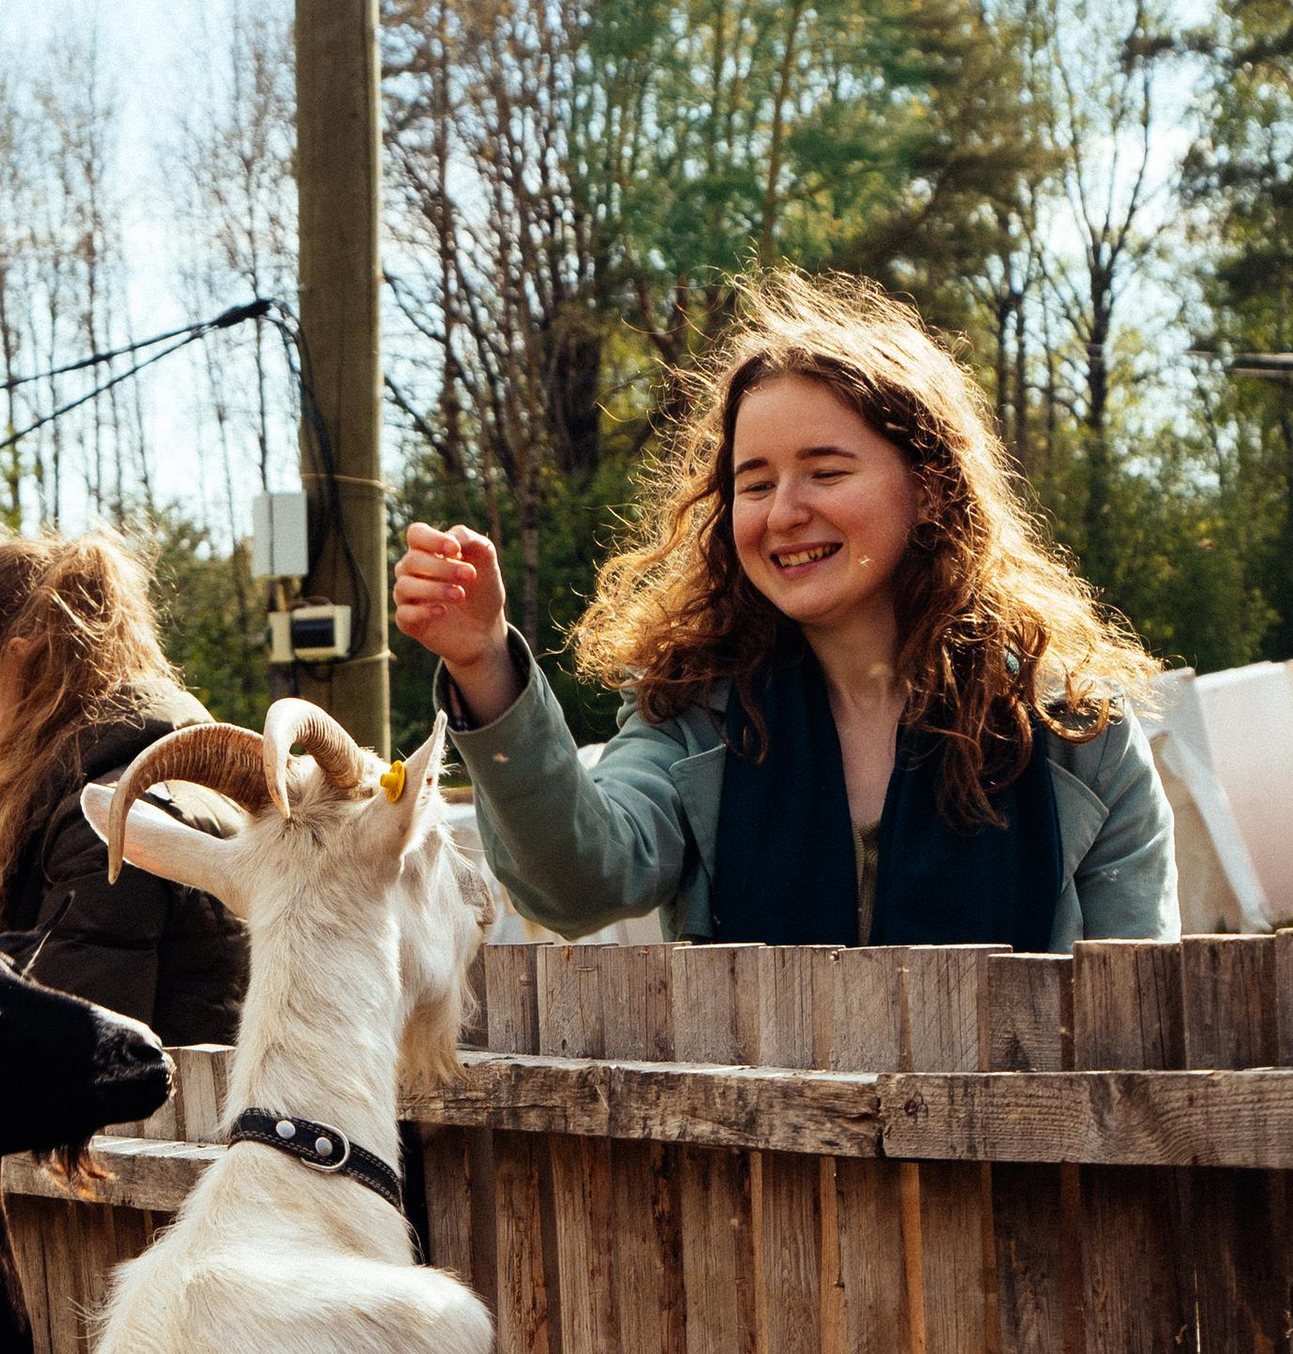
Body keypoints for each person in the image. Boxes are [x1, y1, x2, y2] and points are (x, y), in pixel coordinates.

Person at [393, 272, 1177, 951]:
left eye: (826, 472)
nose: (784, 512)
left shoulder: (1079, 736)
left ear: (931, 488)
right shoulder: (695, 718)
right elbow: (578, 885)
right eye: (756, 483)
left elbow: (1137, 1017)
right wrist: (484, 661)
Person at [0, 530, 248, 1038]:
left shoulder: (106, 823)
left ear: (18, 664)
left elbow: (64, 1053)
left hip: (167, 1120)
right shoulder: (164, 780)